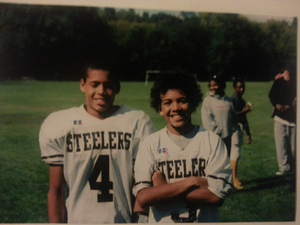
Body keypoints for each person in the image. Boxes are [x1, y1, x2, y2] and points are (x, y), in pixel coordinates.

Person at [39, 60, 155, 223]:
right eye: (95, 84)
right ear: (83, 85)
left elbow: (144, 186)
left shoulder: (137, 122)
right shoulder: (61, 124)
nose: (101, 91)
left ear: (117, 87)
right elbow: (56, 190)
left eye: (107, 85)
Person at [133, 72, 233, 223]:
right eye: (168, 102)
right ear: (160, 109)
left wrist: (164, 189)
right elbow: (143, 197)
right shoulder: (150, 143)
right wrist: (191, 182)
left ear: (192, 104)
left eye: (182, 101)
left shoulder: (211, 141)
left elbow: (216, 197)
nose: (176, 108)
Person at [269, 69, 296, 176]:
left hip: (293, 119)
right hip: (279, 118)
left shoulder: (295, 82)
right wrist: (276, 105)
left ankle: (295, 166)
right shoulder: (279, 81)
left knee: (294, 147)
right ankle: (284, 168)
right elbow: (272, 95)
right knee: (281, 144)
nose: (286, 73)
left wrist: (290, 106)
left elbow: (296, 98)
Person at [201, 75, 236, 157]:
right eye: (211, 86)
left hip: (227, 138)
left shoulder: (228, 100)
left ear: (221, 85)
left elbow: (233, 117)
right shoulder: (207, 101)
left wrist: (231, 130)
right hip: (214, 139)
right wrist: (218, 132)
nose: (213, 88)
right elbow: (207, 121)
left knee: (226, 161)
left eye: (215, 85)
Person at [230, 78, 252, 190]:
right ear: (234, 88)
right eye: (239, 87)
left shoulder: (241, 101)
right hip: (234, 129)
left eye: (243, 87)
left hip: (240, 129)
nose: (242, 89)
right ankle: (234, 180)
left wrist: (248, 133)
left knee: (235, 153)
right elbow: (232, 116)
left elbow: (244, 118)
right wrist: (245, 111)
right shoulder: (232, 100)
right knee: (235, 153)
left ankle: (232, 178)